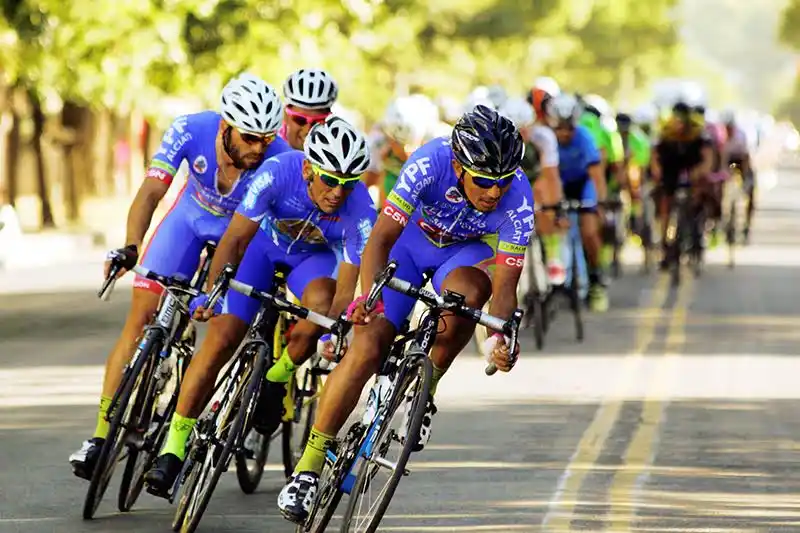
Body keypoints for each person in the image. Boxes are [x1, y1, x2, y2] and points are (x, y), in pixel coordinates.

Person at [277, 105, 533, 523]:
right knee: (366, 348)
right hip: (408, 246)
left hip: (465, 256)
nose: (493, 193)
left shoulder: (518, 197)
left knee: (467, 295)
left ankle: (425, 388)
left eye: (502, 182)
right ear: (457, 165)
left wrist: (498, 340)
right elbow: (380, 239)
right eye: (484, 181)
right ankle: (308, 466)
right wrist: (369, 299)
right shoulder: (429, 163)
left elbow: (505, 286)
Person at [68, 74, 288, 480]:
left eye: (266, 138)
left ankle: (176, 438)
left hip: (243, 239)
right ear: (226, 127)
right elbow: (152, 191)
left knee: (222, 332)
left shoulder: (280, 158)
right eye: (250, 138)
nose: (259, 147)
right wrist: (131, 246)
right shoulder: (190, 128)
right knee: (140, 320)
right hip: (188, 221)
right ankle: (99, 437)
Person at [144, 116, 376, 493]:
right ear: (307, 168)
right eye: (329, 180)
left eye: (348, 184)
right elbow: (234, 240)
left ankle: (279, 374)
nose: (337, 192)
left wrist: (335, 329)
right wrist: (212, 292)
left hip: (311, 260)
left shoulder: (360, 209)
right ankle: (173, 447)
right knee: (221, 338)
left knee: (321, 304)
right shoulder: (277, 172)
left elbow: (345, 292)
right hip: (261, 251)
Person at [546, 93, 608, 311]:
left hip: (583, 185)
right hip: (558, 185)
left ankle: (596, 279)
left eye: (569, 128)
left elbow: (596, 175)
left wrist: (598, 204)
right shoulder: (547, 139)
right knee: (549, 226)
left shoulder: (585, 137)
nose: (564, 133)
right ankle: (550, 279)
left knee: (589, 231)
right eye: (559, 128)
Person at [500, 95, 565, 283]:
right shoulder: (501, 141)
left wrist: (554, 207)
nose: (523, 134)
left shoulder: (544, 137)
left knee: (545, 203)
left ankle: (553, 257)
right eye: (518, 130)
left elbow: (550, 175)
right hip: (512, 178)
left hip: (537, 177)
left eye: (526, 127)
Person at [651, 101, 714, 267]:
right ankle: (666, 244)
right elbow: (655, 155)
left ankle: (699, 230)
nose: (678, 124)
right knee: (665, 202)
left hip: (692, 166)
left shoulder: (698, 132)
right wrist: (656, 171)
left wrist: (701, 172)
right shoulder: (666, 131)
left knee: (700, 193)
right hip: (670, 168)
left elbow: (707, 157)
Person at [364, 95, 440, 208]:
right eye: (396, 142)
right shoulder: (380, 143)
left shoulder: (436, 145)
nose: (403, 150)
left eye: (409, 145)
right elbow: (367, 184)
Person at [278, 68, 339, 150]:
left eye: (318, 122)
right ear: (285, 116)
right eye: (300, 120)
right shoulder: (264, 147)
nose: (308, 130)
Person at [719, 108, 755, 242]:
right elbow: (722, 158)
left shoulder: (741, 135)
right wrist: (723, 173)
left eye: (730, 127)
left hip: (741, 162)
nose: (728, 130)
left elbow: (746, 158)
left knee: (750, 190)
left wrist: (745, 177)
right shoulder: (721, 136)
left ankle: (747, 224)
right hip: (727, 162)